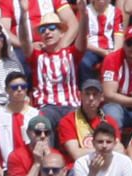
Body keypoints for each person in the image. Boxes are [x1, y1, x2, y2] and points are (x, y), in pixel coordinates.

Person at [18, 0, 89, 137]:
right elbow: (24, 40)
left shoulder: (71, 54)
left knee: (79, 124)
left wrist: (83, 13)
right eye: (43, 30)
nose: (47, 32)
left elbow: (83, 37)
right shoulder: (36, 56)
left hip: (71, 107)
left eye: (52, 28)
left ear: (62, 33)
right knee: (42, 124)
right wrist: (23, 13)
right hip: (46, 108)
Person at [0, 71, 38, 169]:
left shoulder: (36, 115)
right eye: (14, 87)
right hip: (7, 169)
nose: (19, 89)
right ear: (7, 90)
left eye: (23, 86)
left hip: (31, 168)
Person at [58, 79, 120, 163]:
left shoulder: (109, 121)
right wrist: (105, 149)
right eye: (87, 94)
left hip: (106, 165)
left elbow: (119, 149)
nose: (91, 98)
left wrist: (93, 150)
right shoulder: (67, 121)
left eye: (95, 94)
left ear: (101, 97)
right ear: (80, 96)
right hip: (79, 167)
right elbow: (76, 154)